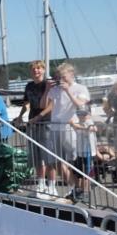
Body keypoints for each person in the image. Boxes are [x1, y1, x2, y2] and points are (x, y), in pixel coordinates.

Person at [37, 63, 90, 196]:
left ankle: (81, 189)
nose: (61, 79)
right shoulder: (55, 89)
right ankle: (73, 188)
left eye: (63, 76)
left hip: (71, 127)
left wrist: (67, 90)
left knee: (75, 160)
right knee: (57, 161)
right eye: (59, 77)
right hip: (55, 128)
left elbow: (80, 104)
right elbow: (43, 105)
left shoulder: (80, 88)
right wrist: (47, 89)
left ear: (71, 74)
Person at [20, 61, 50, 193]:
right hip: (32, 122)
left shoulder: (47, 85)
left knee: (46, 155)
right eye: (33, 69)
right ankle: (41, 183)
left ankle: (51, 184)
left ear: (43, 70)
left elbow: (51, 104)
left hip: (45, 122)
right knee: (36, 155)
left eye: (38, 68)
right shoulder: (29, 86)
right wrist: (20, 116)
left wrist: (39, 116)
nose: (36, 71)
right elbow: (26, 103)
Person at [69, 107, 97, 203]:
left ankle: (85, 193)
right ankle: (78, 190)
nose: (81, 116)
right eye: (79, 114)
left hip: (88, 152)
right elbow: (73, 124)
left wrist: (79, 126)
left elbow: (94, 128)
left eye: (83, 114)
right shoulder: (77, 122)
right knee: (76, 172)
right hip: (79, 152)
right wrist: (75, 124)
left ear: (88, 115)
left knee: (86, 174)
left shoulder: (90, 122)